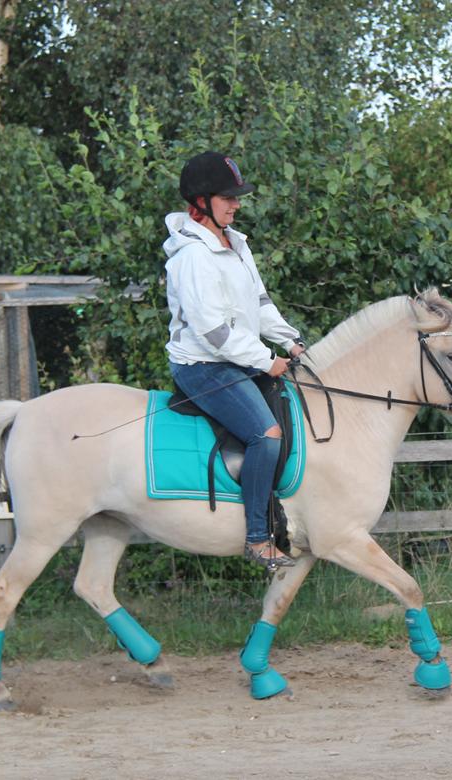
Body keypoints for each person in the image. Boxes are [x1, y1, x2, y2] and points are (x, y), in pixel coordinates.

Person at [163, 151, 306, 570]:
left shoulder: (236, 243)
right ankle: (258, 539)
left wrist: (293, 343)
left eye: (236, 196)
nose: (236, 203)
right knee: (267, 435)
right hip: (203, 366)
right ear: (202, 201)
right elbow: (214, 332)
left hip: (234, 359)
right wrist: (266, 360)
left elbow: (260, 304)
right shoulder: (192, 257)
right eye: (228, 197)